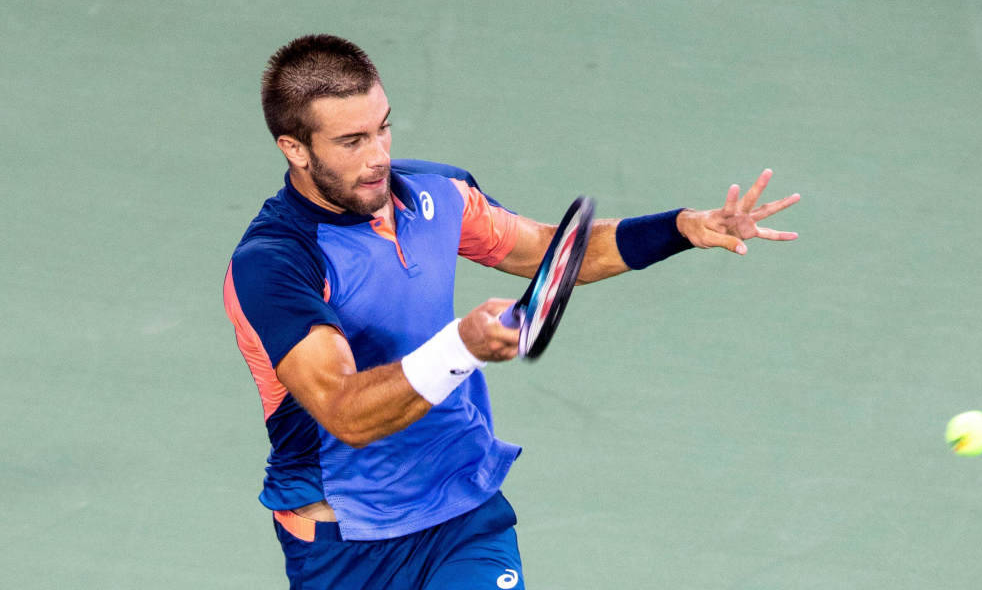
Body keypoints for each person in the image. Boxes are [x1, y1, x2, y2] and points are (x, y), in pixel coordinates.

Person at [223, 34, 800, 590]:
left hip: (462, 507)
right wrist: (460, 347)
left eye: (384, 128)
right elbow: (344, 411)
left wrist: (679, 228)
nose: (379, 157)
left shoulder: (435, 194)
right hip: (346, 542)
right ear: (294, 148)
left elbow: (546, 251)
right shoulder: (275, 263)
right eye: (352, 142)